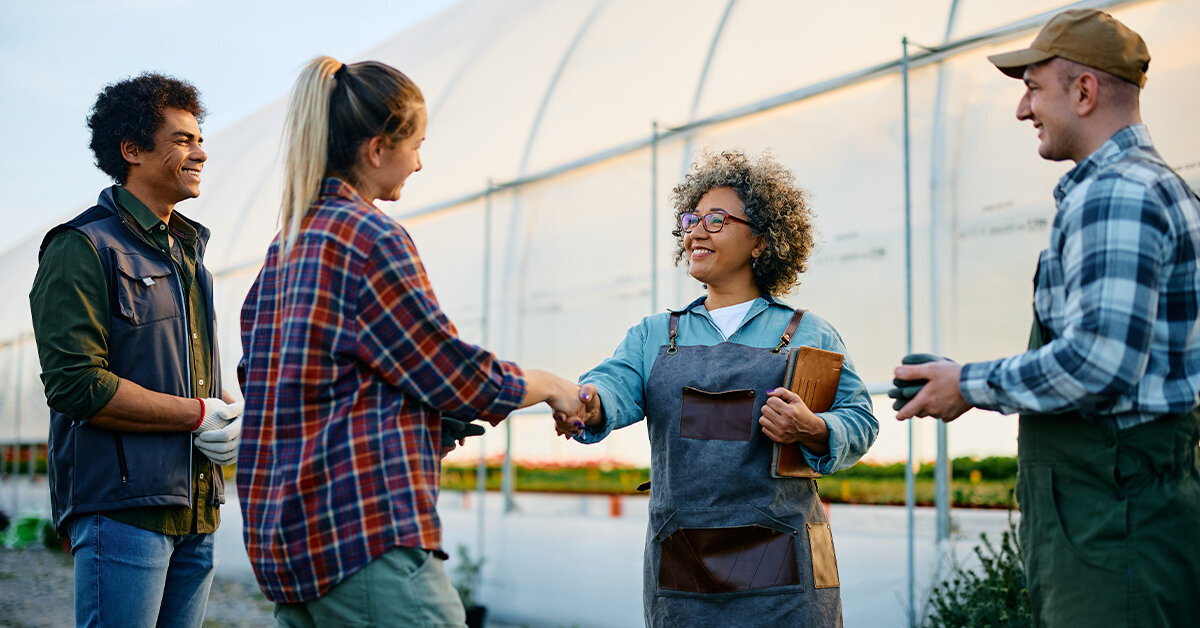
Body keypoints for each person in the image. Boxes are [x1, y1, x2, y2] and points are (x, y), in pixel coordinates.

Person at [237, 56, 584, 627]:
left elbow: (291, 388)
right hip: (362, 536)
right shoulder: (369, 237)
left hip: (290, 543)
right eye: (415, 145)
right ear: (377, 150)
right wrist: (550, 385)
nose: (420, 163)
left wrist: (415, 423)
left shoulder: (285, 248)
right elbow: (454, 375)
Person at [893, 9, 1200, 626]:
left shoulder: (1117, 191)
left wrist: (967, 385)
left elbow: (1099, 361)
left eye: (1033, 87)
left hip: (1115, 526)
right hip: (1127, 512)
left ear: (1084, 91)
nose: (1022, 108)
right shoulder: (1156, 187)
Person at [561, 150, 878, 626]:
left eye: (716, 218)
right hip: (684, 564)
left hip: (788, 565)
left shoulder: (810, 333)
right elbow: (611, 385)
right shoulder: (654, 335)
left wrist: (813, 428)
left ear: (761, 241)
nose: (695, 230)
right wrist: (586, 404)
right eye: (691, 219)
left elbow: (859, 418)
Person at [29, 73, 243, 627]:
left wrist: (225, 413)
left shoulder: (191, 256)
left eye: (199, 138)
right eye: (182, 139)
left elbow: (192, 373)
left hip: (195, 511)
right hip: (123, 512)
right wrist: (199, 414)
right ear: (132, 151)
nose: (200, 152)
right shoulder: (82, 247)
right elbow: (77, 384)